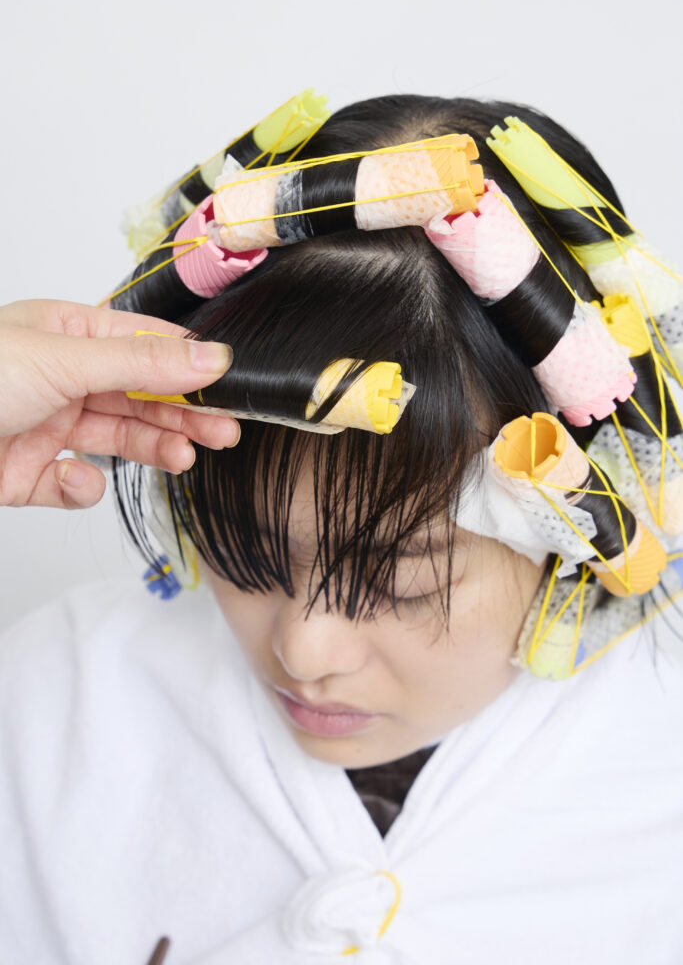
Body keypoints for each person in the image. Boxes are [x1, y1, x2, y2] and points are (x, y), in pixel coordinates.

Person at [0, 94, 682, 965]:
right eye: (245, 551)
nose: (303, 651)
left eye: (400, 584)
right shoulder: (53, 701)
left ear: (577, 532)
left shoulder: (659, 780)